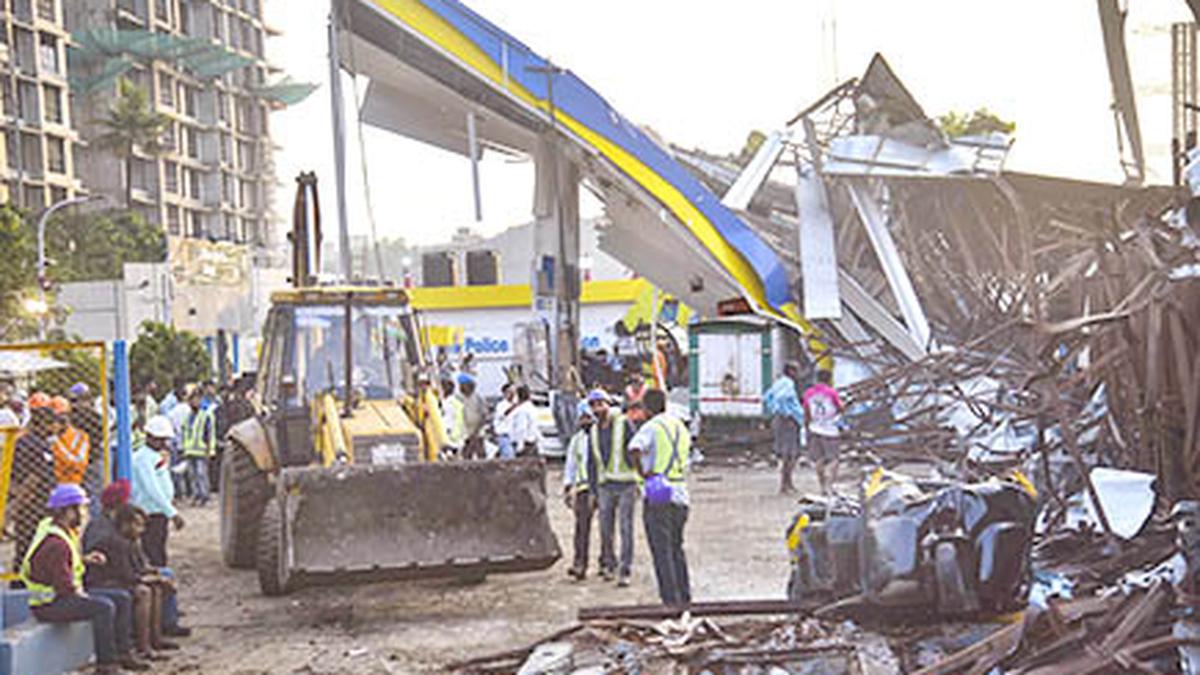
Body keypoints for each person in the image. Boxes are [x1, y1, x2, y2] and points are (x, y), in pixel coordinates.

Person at [22, 484, 148, 673]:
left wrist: (84, 559)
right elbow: (64, 586)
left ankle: (124, 653)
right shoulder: (56, 543)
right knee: (104, 607)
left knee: (122, 598)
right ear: (69, 511)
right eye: (81, 508)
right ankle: (107, 663)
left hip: (58, 596)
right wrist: (84, 596)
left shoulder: (55, 529)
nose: (84, 513)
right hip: (51, 603)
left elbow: (62, 564)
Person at [85, 504, 178, 661]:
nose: (141, 530)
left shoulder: (131, 541)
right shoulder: (115, 542)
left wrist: (156, 575)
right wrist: (156, 578)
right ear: (125, 524)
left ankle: (154, 639)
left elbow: (141, 567)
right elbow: (128, 576)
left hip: (119, 579)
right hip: (104, 582)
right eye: (137, 525)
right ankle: (143, 647)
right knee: (144, 592)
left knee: (155, 587)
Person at [629, 389, 692, 607]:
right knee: (676, 548)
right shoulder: (680, 427)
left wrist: (643, 473)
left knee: (661, 551)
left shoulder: (652, 427)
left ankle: (670, 601)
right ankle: (684, 597)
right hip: (680, 492)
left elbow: (634, 448)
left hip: (658, 489)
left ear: (647, 408)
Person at [588, 389, 639, 587]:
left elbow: (635, 450)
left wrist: (638, 481)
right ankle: (609, 564)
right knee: (605, 528)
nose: (597, 408)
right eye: (594, 405)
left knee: (626, 528)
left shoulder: (623, 423)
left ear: (608, 404)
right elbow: (592, 463)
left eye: (601, 404)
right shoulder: (593, 431)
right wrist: (593, 490)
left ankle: (625, 569)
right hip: (605, 485)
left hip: (626, 484)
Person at [131, 416, 185, 567]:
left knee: (158, 547)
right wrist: (172, 513)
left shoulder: (152, 456)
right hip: (151, 512)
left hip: (157, 510)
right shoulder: (143, 458)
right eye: (159, 439)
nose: (163, 443)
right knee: (154, 550)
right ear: (149, 437)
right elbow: (152, 488)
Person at [11, 404, 56, 569]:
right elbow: (34, 477)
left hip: (29, 502)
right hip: (36, 502)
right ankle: (23, 582)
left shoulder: (22, 442)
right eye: (52, 423)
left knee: (24, 544)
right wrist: (20, 501)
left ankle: (19, 580)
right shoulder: (38, 445)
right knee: (34, 545)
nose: (55, 427)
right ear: (44, 423)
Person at [563, 401, 598, 580]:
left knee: (608, 528)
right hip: (584, 487)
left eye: (588, 417)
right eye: (582, 417)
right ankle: (579, 563)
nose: (585, 420)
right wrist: (568, 487)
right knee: (581, 527)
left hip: (602, 486)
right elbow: (571, 464)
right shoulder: (576, 440)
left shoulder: (601, 436)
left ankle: (608, 563)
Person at [765, 363, 806, 494]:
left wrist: (774, 410)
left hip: (781, 419)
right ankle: (786, 484)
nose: (799, 373)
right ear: (791, 371)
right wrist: (786, 412)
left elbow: (767, 397)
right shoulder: (788, 384)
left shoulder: (778, 383)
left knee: (787, 454)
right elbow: (781, 398)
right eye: (797, 370)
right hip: (788, 421)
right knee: (790, 454)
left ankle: (788, 484)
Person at [802, 370, 845, 495]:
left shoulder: (808, 393)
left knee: (819, 459)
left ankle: (822, 486)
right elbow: (840, 408)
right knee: (834, 459)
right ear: (829, 379)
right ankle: (830, 485)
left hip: (814, 428)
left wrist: (807, 426)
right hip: (830, 429)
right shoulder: (831, 392)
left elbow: (806, 412)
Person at [180, 388, 216, 506]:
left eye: (196, 399)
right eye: (192, 400)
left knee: (201, 474)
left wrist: (210, 450)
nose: (194, 402)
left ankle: (204, 495)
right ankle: (196, 495)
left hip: (201, 451)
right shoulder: (187, 417)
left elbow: (210, 434)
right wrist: (183, 448)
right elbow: (185, 433)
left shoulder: (205, 416)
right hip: (189, 451)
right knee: (192, 475)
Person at [50, 396, 90, 486]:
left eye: (62, 417)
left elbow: (78, 462)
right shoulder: (48, 437)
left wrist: (57, 445)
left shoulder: (81, 436)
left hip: (73, 483)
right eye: (54, 418)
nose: (57, 422)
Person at [456, 373, 488, 460]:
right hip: (464, 433)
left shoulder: (478, 398)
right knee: (466, 455)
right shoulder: (458, 398)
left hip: (477, 432)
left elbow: (484, 415)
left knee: (480, 454)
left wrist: (476, 431)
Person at [508, 385, 539, 457]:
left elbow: (521, 429)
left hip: (524, 445)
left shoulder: (522, 410)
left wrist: (520, 446)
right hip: (533, 443)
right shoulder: (531, 408)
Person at [440, 376, 464, 456]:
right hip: (444, 433)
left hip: (451, 435)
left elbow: (459, 420)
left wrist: (455, 435)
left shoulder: (455, 403)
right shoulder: (442, 401)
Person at [492, 383, 517, 459]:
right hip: (504, 436)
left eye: (514, 391)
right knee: (508, 456)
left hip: (515, 436)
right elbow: (504, 414)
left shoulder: (517, 404)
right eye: (510, 391)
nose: (513, 394)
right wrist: (514, 406)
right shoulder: (501, 405)